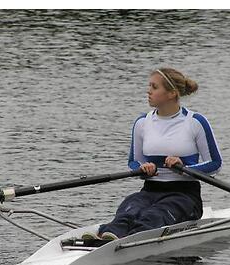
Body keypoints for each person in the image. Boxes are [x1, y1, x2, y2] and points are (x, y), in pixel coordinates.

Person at [83, 67, 222, 241]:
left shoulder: (195, 122)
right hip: (150, 191)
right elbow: (134, 162)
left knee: (154, 215)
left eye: (154, 87)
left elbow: (215, 164)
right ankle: (107, 234)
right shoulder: (142, 123)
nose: (148, 91)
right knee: (130, 208)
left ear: (171, 93)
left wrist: (184, 168)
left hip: (184, 195)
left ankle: (128, 240)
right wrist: (143, 168)